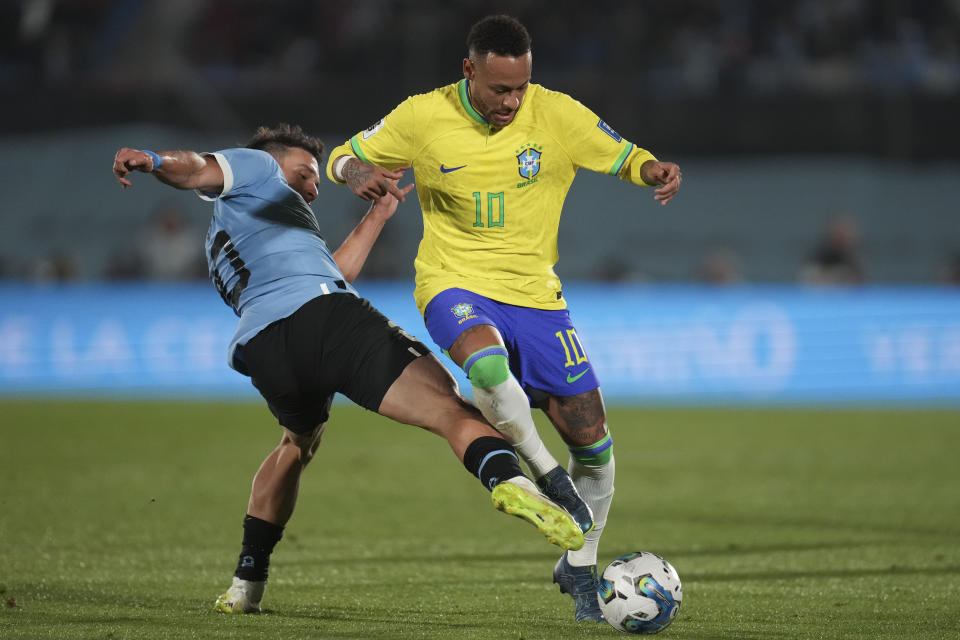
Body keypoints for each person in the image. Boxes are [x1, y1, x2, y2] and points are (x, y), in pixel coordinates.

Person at [111, 123, 584, 615]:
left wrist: (379, 213)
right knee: (449, 408)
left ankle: (245, 585)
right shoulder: (256, 167)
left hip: (265, 348)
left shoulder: (237, 233)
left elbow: (336, 272)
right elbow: (194, 168)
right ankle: (512, 482)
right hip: (324, 316)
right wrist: (153, 159)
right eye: (306, 173)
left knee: (296, 445)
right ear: (272, 160)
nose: (314, 187)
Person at [325, 15, 682, 623]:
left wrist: (655, 170)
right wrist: (357, 172)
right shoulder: (422, 116)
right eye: (499, 90)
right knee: (485, 364)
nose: (512, 102)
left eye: (521, 88)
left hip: (537, 296)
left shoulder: (557, 114)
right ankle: (544, 474)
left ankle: (579, 562)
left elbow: (623, 156)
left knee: (594, 442)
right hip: (453, 280)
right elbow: (339, 158)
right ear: (470, 72)